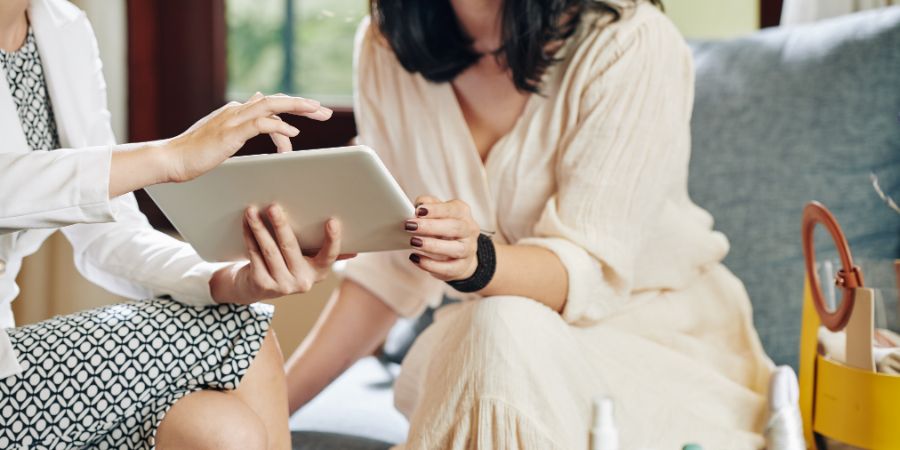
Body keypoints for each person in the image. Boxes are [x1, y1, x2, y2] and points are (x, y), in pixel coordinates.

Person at [285, 0, 774, 448]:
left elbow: (587, 272)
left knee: (498, 327)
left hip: (647, 349)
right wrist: (268, 411)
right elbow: (389, 274)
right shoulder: (386, 47)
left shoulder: (632, 43)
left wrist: (479, 262)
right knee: (488, 332)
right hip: (483, 349)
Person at [0, 0, 341, 449]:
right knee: (240, 337)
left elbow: (107, 230)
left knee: (220, 430)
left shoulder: (62, 27)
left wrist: (225, 279)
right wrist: (169, 157)